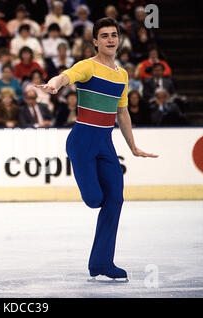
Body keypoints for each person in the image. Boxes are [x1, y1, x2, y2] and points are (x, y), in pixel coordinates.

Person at [36, 17, 158, 280]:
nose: (110, 39)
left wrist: (133, 146)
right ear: (95, 41)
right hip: (82, 141)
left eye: (114, 35)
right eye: (104, 36)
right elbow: (66, 76)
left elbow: (122, 112)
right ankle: (100, 259)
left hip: (106, 142)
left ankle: (102, 263)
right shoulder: (87, 67)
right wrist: (55, 84)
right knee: (94, 200)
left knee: (115, 198)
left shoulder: (123, 74)